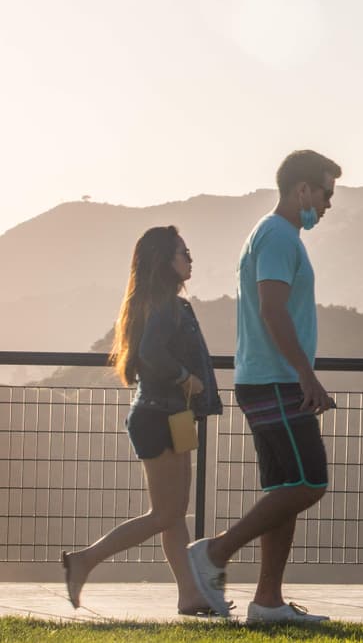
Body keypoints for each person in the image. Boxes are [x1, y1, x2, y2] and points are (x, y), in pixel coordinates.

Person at [186, 149, 341, 623]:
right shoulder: (277, 236)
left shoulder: (275, 234)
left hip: (266, 379)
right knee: (311, 481)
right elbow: (272, 309)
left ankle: (267, 602)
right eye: (326, 194)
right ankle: (215, 552)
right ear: (303, 190)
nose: (328, 205)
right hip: (275, 380)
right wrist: (305, 375)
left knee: (285, 487)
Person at [62, 226, 223, 614]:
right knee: (166, 513)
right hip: (161, 414)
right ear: (164, 261)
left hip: (173, 414)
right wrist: (186, 377)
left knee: (174, 514)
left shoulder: (156, 302)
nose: (190, 258)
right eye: (184, 252)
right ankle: (84, 560)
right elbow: (151, 352)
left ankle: (189, 595)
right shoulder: (166, 305)